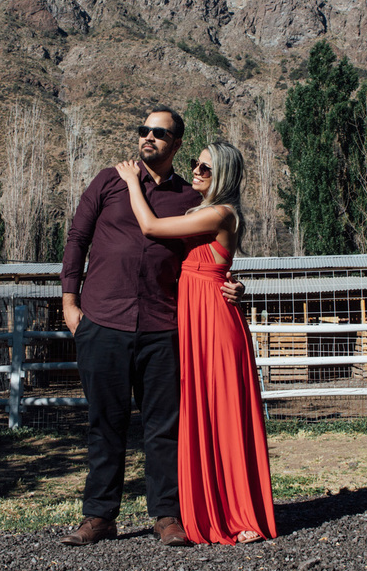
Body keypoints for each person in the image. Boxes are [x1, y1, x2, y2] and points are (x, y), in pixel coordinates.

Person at [59, 107, 244, 548]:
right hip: (103, 321)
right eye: (144, 130)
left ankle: (166, 516)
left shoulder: (190, 197)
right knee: (106, 424)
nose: (148, 137)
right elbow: (77, 238)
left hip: (164, 326)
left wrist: (233, 283)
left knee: (164, 426)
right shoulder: (109, 180)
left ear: (176, 143)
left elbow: (209, 254)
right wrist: (69, 302)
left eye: (159, 133)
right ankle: (99, 516)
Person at [112, 141, 276, 546]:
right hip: (194, 321)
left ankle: (239, 513)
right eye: (195, 164)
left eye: (205, 167)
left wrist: (133, 181)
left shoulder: (219, 212)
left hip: (215, 325)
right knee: (199, 411)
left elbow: (150, 227)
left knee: (223, 413)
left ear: (222, 174)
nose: (196, 171)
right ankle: (207, 507)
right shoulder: (201, 212)